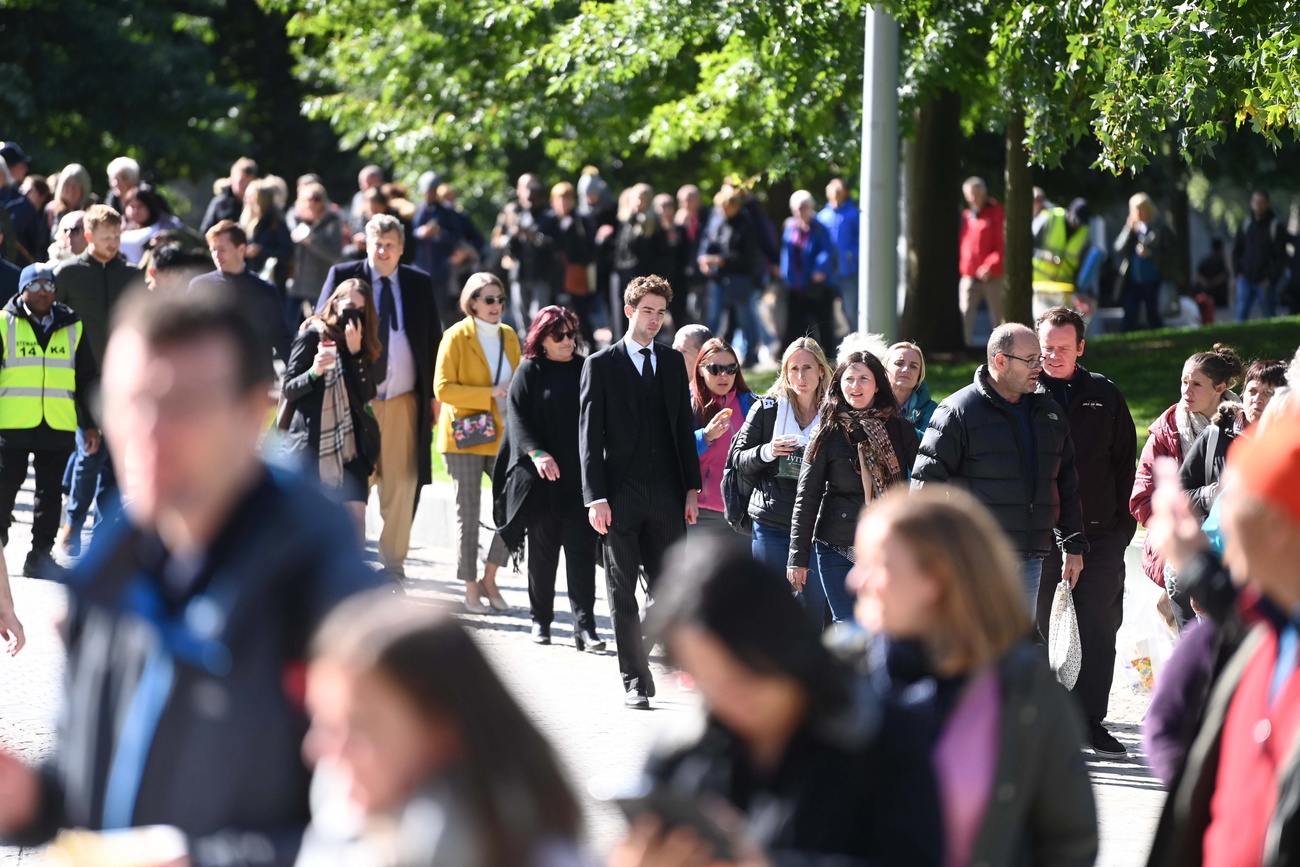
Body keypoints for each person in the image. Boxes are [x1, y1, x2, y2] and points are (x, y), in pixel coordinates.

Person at [0, 286, 383, 859]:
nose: (148, 435)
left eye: (181, 406)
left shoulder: (325, 585)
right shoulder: (112, 562)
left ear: (254, 412)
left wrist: (201, 858)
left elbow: (377, 828)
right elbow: (94, 794)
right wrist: (28, 800)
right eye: (130, 405)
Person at [615, 535, 943, 866]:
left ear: (784, 647)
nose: (729, 698)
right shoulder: (684, 751)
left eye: (743, 675)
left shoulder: (879, 734)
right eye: (707, 682)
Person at [851, 488, 1098, 867]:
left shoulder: (1026, 693)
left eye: (877, 564)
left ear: (936, 579)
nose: (856, 580)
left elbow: (1070, 841)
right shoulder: (840, 677)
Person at [301, 594, 588, 867]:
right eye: (323, 724)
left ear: (443, 730)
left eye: (358, 726)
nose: (316, 751)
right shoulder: (339, 842)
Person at [1141, 418, 1300, 866]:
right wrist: (1193, 564)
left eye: (1238, 502)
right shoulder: (1263, 632)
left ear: (1278, 528)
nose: (1220, 519)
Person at [580, 275, 701, 709]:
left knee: (669, 588)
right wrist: (595, 497)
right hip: (619, 495)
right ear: (629, 311)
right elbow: (589, 439)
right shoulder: (600, 364)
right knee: (621, 589)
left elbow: (683, 431)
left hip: (668, 493)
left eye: (661, 312)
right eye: (647, 310)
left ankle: (641, 656)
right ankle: (634, 678)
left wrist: (691, 488)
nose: (655, 319)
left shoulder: (672, 363)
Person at [912, 323, 1087, 613]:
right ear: (1000, 361)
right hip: (975, 558)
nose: (1038, 368)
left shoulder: (1049, 412)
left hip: (1030, 559)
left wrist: (1073, 544)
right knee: (974, 650)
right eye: (1030, 360)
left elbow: (1065, 481)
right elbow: (924, 486)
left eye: (1039, 359)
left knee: (1014, 650)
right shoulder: (957, 412)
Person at [1033, 306, 1137, 757]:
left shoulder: (1105, 396)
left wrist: (1120, 530)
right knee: (1038, 632)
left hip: (1100, 537)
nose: (1053, 356)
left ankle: (1089, 723)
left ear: (1081, 348)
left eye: (1062, 348)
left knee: (1097, 630)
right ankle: (1042, 728)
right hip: (1038, 538)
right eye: (1046, 349)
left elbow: (1124, 466)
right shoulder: (1023, 394)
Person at [316, 215, 444, 580]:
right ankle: (346, 563)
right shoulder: (344, 275)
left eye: (390, 244)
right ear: (366, 243)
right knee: (355, 483)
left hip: (404, 400)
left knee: (403, 484)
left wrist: (434, 397)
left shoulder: (418, 283)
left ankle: (393, 566)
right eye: (377, 243)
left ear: (402, 248)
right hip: (354, 402)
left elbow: (433, 340)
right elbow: (320, 323)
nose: (383, 250)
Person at [493, 305, 603, 650]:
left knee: (582, 554)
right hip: (541, 482)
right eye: (560, 335)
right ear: (542, 338)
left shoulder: (587, 368)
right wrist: (537, 453)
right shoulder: (530, 370)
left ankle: (585, 627)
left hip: (580, 480)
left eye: (572, 334)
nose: (568, 341)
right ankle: (540, 620)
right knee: (542, 556)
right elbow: (517, 417)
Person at [787, 350, 916, 624]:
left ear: (878, 384)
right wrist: (797, 557)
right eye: (849, 379)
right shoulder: (827, 431)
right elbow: (807, 495)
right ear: (838, 383)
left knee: (886, 623)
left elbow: (920, 480)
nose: (855, 387)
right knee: (848, 624)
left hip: (888, 544)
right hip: (837, 543)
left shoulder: (900, 428)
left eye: (863, 379)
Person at [1130, 343, 1243, 627]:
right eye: (1183, 381)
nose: (1186, 391)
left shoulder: (1245, 427)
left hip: (1235, 546)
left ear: (1220, 388)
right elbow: (1143, 500)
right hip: (1180, 550)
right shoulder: (1166, 431)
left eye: (1196, 384)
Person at [52, 204, 141, 556]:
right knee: (89, 451)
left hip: (124, 379)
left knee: (117, 459)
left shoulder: (132, 276)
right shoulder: (68, 273)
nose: (113, 243)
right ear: (88, 237)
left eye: (117, 237)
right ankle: (73, 525)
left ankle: (104, 536)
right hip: (81, 379)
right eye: (106, 238)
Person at [0, 264, 99, 576]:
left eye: (49, 285)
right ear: (22, 289)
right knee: (4, 488)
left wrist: (92, 423)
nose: (43, 291)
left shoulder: (73, 325)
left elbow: (86, 379)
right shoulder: (4, 322)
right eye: (36, 285)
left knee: (49, 493)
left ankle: (40, 555)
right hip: (12, 423)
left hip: (57, 424)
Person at [728, 336, 832, 618]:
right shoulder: (768, 409)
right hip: (771, 522)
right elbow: (738, 459)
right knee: (769, 609)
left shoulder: (834, 414)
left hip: (816, 526)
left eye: (807, 368)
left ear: (821, 370)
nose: (800, 376)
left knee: (812, 610)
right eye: (793, 369)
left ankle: (806, 664)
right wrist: (768, 451)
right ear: (785, 372)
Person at [434, 273, 519, 613]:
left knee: (514, 508)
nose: (495, 305)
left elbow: (519, 375)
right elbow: (442, 388)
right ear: (471, 302)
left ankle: (490, 576)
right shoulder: (455, 336)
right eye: (488, 299)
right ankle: (470, 586)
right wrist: (488, 393)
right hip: (465, 435)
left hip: (502, 433)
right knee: (467, 515)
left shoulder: (510, 335)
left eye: (499, 299)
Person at [281, 278, 382, 536]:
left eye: (360, 309)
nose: (354, 313)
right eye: (349, 306)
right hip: (315, 444)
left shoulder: (363, 340)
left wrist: (357, 353)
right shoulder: (313, 335)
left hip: (352, 445)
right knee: (310, 525)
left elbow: (368, 393)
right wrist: (315, 371)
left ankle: (355, 577)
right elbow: (289, 388)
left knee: (357, 518)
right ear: (335, 303)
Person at [1180, 358, 1287, 520]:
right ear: (1243, 393)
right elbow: (1179, 496)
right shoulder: (1215, 436)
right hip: (1222, 542)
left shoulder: (1291, 445)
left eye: (1268, 393)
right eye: (1252, 391)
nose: (1257, 398)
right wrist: (1213, 494)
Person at [189, 220, 292, 361]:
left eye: (222, 249)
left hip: (256, 376)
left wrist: (303, 375)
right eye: (213, 249)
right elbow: (188, 335)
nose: (216, 255)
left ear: (242, 249)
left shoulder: (264, 290)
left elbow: (281, 338)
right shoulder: (199, 287)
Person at [689, 337, 755, 533]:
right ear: (700, 369)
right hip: (701, 513)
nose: (724, 375)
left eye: (731, 369)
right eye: (716, 369)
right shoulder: (687, 404)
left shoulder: (751, 404)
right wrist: (706, 436)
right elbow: (674, 453)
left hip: (743, 511)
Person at [699, 188, 761, 366]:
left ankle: (751, 354)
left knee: (745, 317)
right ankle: (706, 353)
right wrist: (705, 259)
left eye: (726, 208)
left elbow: (748, 256)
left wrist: (722, 260)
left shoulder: (747, 223)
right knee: (714, 316)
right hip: (720, 278)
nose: (723, 212)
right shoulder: (720, 222)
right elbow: (711, 244)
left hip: (740, 278)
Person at [492, 174, 559, 330]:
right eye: (526, 188)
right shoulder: (511, 211)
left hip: (542, 272)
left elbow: (553, 242)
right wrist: (509, 238)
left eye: (533, 188)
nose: (530, 193)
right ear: (518, 189)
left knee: (540, 317)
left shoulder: (547, 212)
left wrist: (530, 235)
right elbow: (496, 239)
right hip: (518, 271)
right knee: (521, 319)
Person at [780, 190, 837, 350]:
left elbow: (827, 251)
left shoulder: (820, 227)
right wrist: (786, 276)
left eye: (804, 207)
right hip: (796, 286)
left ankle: (829, 357)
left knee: (823, 324)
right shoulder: (790, 227)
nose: (801, 211)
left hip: (817, 286)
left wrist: (819, 270)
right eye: (797, 208)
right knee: (795, 325)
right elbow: (786, 253)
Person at [288, 182, 343, 330]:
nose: (312, 203)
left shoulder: (332, 221)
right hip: (294, 283)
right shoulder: (293, 219)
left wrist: (311, 240)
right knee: (288, 326)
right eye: (308, 199)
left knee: (319, 328)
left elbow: (335, 255)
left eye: (316, 199)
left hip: (319, 285)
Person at [958, 176, 1004, 347]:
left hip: (992, 275)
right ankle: (965, 347)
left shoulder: (996, 213)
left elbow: (1001, 245)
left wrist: (990, 265)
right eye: (969, 194)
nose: (972, 198)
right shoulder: (966, 216)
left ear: (984, 193)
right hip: (969, 275)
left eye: (976, 194)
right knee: (964, 313)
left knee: (997, 316)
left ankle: (999, 350)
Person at [1232, 188, 1291, 321]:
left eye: (1261, 202)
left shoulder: (1275, 226)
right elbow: (1237, 250)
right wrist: (1238, 273)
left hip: (1265, 280)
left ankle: (1273, 339)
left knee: (1269, 313)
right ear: (1251, 203)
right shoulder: (1246, 225)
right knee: (1241, 314)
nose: (1258, 205)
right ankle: (1236, 339)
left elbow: (1281, 256)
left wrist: (1271, 278)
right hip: (1245, 278)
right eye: (1255, 201)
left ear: (1267, 203)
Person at [1115, 192, 1169, 332]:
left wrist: (1150, 253)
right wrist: (1128, 229)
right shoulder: (1132, 228)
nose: (1138, 212)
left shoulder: (1159, 227)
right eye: (1135, 209)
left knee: (1152, 310)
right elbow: (1118, 248)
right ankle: (1125, 338)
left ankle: (1158, 335)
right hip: (1134, 278)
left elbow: (1169, 252)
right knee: (1130, 309)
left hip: (1153, 277)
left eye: (1141, 208)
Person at [817, 178, 861, 334]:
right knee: (827, 313)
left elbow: (864, 240)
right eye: (832, 188)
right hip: (828, 274)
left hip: (849, 271)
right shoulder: (822, 216)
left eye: (839, 188)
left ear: (846, 192)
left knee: (850, 311)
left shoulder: (854, 214)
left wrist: (852, 254)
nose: (836, 191)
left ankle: (857, 344)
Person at [241, 178, 294, 293]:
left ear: (260, 200)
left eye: (250, 197)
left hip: (271, 281)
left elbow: (287, 252)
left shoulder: (276, 221)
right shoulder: (245, 221)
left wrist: (261, 250)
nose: (245, 200)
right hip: (247, 278)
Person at [885, 340, 936, 441]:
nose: (906, 370)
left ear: (919, 376)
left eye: (913, 366)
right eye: (899, 363)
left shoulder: (931, 409)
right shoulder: (870, 403)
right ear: (884, 370)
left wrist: (894, 423)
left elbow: (929, 444)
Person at [118, 185, 183, 264]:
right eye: (132, 206)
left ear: (149, 206)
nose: (135, 211)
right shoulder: (120, 226)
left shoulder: (168, 225)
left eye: (140, 206)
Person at [200, 156, 258, 234]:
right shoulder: (220, 204)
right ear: (231, 179)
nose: (245, 186)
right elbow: (205, 233)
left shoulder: (259, 205)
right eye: (241, 182)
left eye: (248, 182)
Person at [1195, 237, 1230, 310]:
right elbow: (1224, 275)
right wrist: (1213, 283)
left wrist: (1207, 284)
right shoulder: (1221, 261)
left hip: (1206, 294)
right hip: (1220, 296)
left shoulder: (1204, 261)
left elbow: (1198, 275)